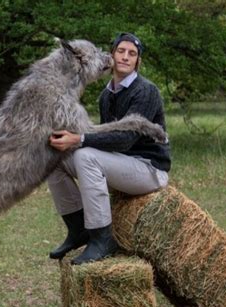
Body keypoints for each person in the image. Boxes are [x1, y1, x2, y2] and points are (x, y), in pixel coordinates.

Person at [47, 32, 171, 265]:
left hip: (149, 170)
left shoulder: (145, 91)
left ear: (137, 62)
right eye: (121, 51)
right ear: (111, 56)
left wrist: (78, 139)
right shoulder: (107, 95)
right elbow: (106, 139)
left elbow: (124, 140)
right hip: (122, 165)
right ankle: (78, 228)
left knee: (85, 156)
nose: (125, 57)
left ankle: (103, 238)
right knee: (53, 157)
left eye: (132, 54)